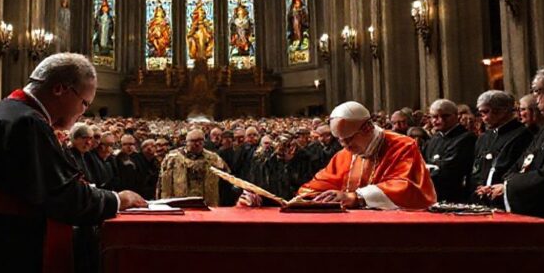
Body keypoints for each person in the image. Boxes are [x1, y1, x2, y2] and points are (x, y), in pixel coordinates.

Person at [0, 53, 146, 273]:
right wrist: (117, 199)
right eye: (85, 103)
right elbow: (61, 196)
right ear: (60, 89)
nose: (83, 112)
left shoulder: (0, 112)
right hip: (3, 247)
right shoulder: (28, 123)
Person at [243, 102, 436, 209]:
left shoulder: (402, 146)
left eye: (348, 139)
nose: (344, 145)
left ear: (367, 127)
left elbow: (407, 186)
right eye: (340, 140)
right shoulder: (345, 155)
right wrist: (269, 200)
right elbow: (316, 187)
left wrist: (357, 197)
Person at [497, 63, 544, 221]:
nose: (535, 98)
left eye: (538, 91)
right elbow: (524, 159)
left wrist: (508, 186)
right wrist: (507, 180)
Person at [468, 91, 532, 206]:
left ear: (503, 110)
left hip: (503, 198)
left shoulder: (522, 135)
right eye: (480, 113)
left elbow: (518, 169)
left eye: (486, 112)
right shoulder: (484, 137)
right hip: (480, 199)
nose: (483, 117)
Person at [157, 129, 231, 206]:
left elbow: (226, 175)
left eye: (200, 141)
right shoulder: (172, 158)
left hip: (207, 201)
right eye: (194, 141)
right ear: (186, 142)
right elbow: (162, 182)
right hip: (180, 200)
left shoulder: (213, 158)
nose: (197, 144)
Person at [423, 99, 477, 202]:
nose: (439, 120)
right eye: (434, 117)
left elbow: (450, 169)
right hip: (432, 193)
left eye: (445, 116)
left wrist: (427, 170)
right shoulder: (433, 139)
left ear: (456, 116)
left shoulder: (466, 138)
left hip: (454, 195)